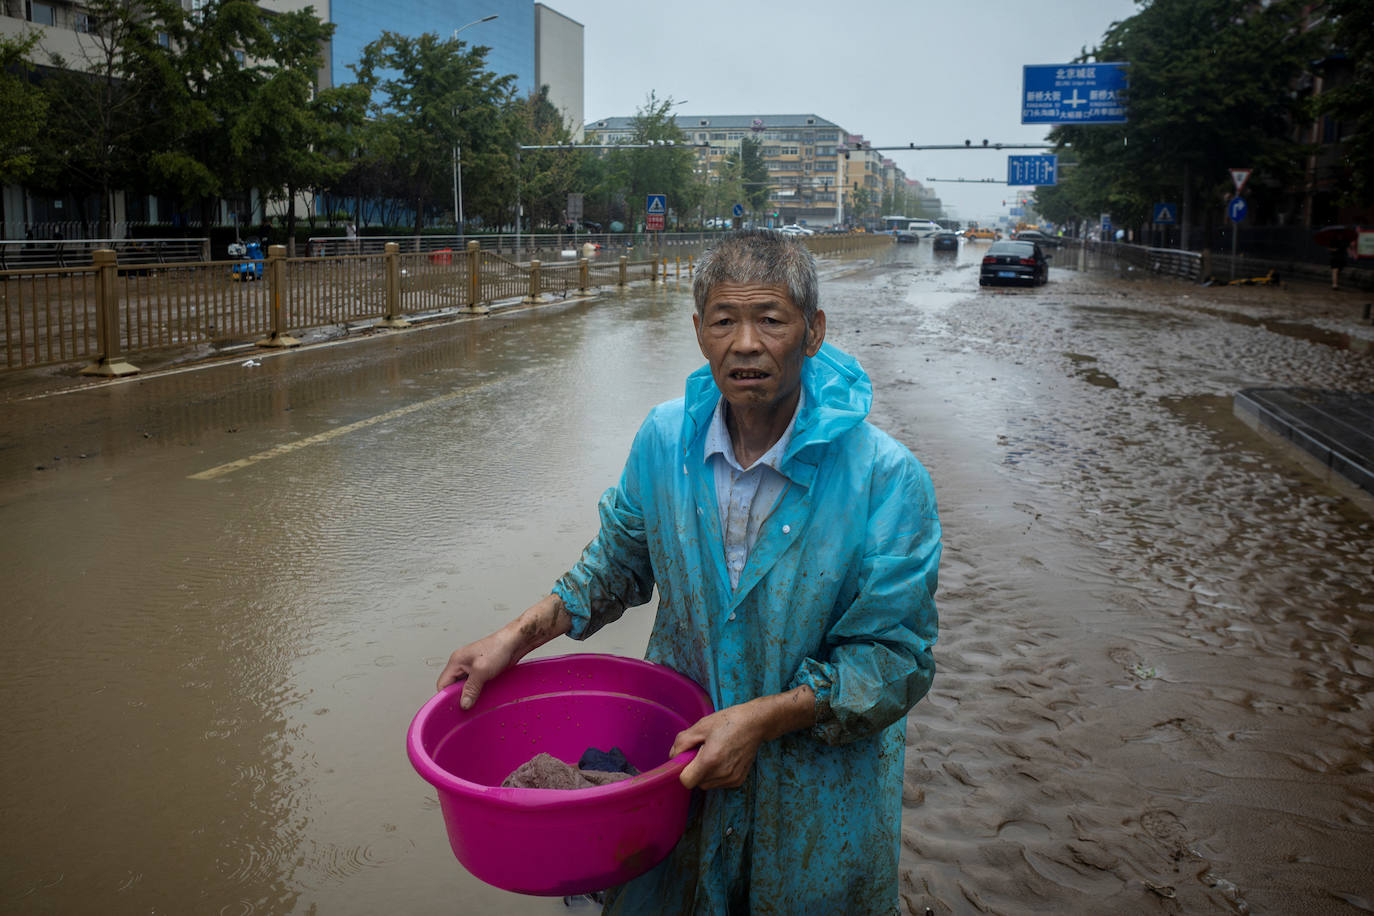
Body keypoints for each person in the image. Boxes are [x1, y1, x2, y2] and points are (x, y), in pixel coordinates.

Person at [435, 229, 941, 914]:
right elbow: (616, 562)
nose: (746, 344)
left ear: (812, 331)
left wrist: (763, 720)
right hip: (682, 765)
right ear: (699, 331)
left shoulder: (887, 479)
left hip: (820, 793)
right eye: (725, 321)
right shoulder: (665, 439)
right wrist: (514, 639)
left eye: (771, 320)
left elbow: (893, 660)